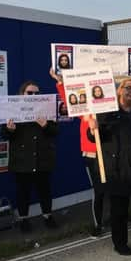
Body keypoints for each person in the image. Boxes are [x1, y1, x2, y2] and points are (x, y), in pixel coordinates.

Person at [87, 78, 131, 256]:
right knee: (119, 210)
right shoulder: (107, 113)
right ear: (119, 91)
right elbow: (94, 138)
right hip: (117, 169)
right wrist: (92, 129)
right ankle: (120, 243)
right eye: (128, 88)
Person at [50, 69, 106, 238]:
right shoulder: (84, 109)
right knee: (99, 191)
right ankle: (98, 225)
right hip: (91, 155)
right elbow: (70, 100)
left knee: (117, 189)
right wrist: (60, 82)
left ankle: (120, 219)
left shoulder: (110, 107)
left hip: (111, 154)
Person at [0, 81, 59, 233]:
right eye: (30, 93)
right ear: (22, 94)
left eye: (36, 93)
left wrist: (46, 125)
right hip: (22, 160)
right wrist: (9, 129)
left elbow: (55, 132)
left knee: (44, 191)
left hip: (42, 159)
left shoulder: (47, 109)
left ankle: (47, 216)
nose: (33, 96)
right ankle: (24, 219)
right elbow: (4, 135)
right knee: (23, 192)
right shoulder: (11, 109)